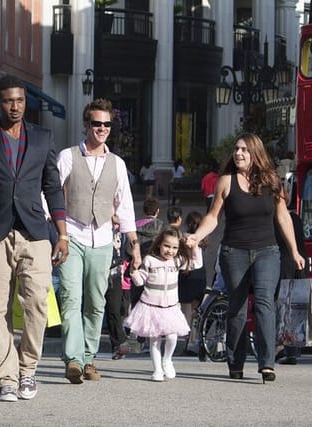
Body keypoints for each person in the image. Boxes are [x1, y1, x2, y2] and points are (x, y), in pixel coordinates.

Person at [0, 74, 69, 402]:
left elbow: (53, 187)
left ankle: (28, 369)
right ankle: (6, 377)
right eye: (9, 101)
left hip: (35, 231)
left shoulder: (43, 138)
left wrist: (62, 233)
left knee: (36, 303)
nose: (16, 106)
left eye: (20, 100)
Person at [186, 133, 305, 383]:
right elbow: (213, 217)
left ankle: (267, 363)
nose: (238, 154)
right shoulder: (226, 182)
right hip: (234, 251)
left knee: (264, 302)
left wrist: (294, 250)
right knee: (237, 308)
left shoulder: (273, 181)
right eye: (236, 149)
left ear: (255, 153)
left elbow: (283, 217)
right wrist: (196, 237)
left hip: (267, 251)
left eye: (244, 150)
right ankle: (236, 361)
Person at [57, 98, 142, 384]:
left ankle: (89, 357)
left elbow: (125, 203)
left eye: (106, 124)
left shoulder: (117, 164)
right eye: (97, 123)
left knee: (95, 302)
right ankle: (73, 359)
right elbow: (52, 195)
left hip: (103, 238)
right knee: (71, 298)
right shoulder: (68, 157)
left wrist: (133, 241)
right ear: (86, 125)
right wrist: (56, 230)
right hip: (72, 234)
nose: (102, 129)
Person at [125, 226, 202, 381]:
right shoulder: (150, 260)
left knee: (172, 337)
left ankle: (167, 360)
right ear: (159, 244)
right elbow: (140, 281)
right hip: (151, 307)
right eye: (167, 246)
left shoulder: (177, 261)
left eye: (174, 247)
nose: (170, 251)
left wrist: (195, 247)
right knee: (154, 340)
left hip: (170, 308)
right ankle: (157, 370)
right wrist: (133, 271)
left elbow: (197, 264)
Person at [275, 211, 310, 365]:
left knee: (281, 308)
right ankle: (294, 350)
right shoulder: (295, 218)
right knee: (296, 310)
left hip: (282, 264)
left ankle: (282, 346)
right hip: (300, 264)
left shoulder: (275, 218)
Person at [179, 211, 207, 355]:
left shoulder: (184, 237)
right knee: (196, 310)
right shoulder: (203, 238)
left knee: (186, 311)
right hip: (200, 273)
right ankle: (195, 340)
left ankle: (186, 342)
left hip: (186, 272)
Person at [104, 215, 131, 360]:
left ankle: (119, 343)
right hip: (99, 269)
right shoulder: (101, 227)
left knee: (114, 309)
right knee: (94, 308)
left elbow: (127, 252)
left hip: (115, 273)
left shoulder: (123, 231)